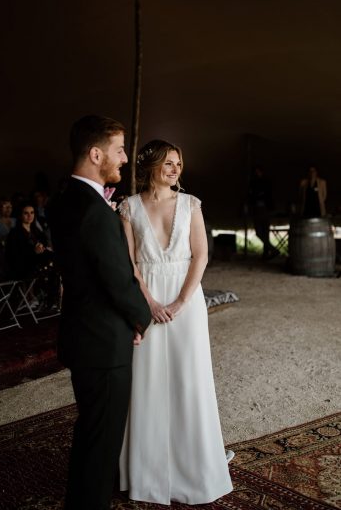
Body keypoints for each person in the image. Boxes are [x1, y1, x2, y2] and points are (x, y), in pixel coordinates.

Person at [118, 139, 233, 505]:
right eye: (168, 162)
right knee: (147, 380)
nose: (175, 169)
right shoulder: (129, 207)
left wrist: (182, 301)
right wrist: (149, 302)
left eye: (179, 163)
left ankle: (194, 466)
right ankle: (147, 471)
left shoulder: (190, 204)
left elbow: (200, 255)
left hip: (187, 301)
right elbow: (130, 263)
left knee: (190, 377)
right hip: (147, 297)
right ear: (151, 164)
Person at [50, 115, 151, 510]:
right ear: (96, 154)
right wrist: (140, 317)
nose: (125, 159)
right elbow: (116, 278)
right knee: (102, 443)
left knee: (91, 434)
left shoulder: (65, 200)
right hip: (103, 342)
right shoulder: (93, 210)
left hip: (82, 333)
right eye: (119, 150)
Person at [5, 202, 60, 309]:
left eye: (32, 213)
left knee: (55, 263)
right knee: (51, 265)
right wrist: (34, 251)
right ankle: (44, 297)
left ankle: (50, 298)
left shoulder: (36, 231)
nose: (30, 216)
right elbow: (15, 255)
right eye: (26, 213)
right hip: (22, 266)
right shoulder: (15, 233)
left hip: (37, 263)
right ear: (20, 215)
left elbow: (43, 245)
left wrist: (43, 248)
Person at [248, 166, 279, 259]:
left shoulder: (266, 182)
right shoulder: (253, 183)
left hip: (265, 210)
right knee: (259, 232)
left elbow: (268, 195)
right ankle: (273, 250)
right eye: (256, 172)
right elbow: (251, 196)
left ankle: (267, 254)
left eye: (259, 171)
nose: (257, 174)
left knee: (265, 233)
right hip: (258, 210)